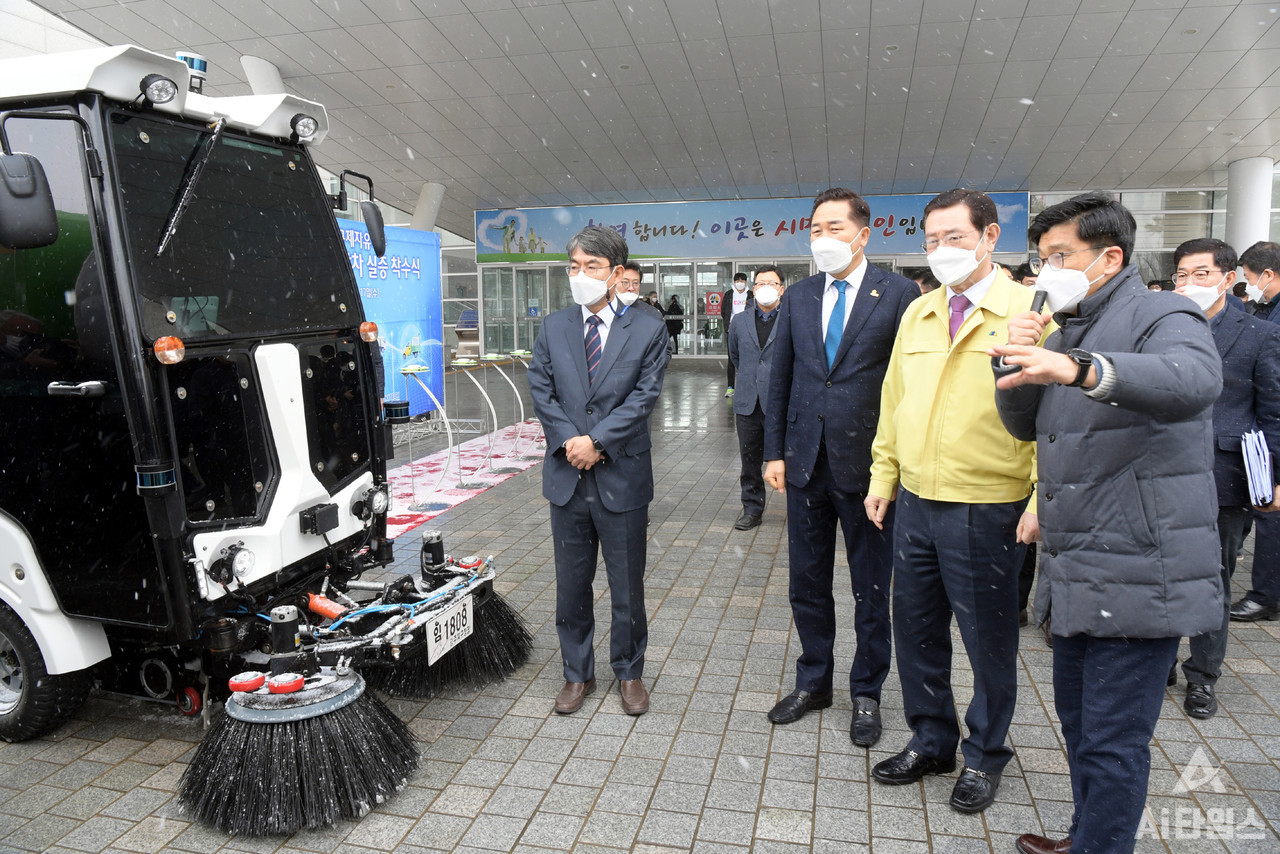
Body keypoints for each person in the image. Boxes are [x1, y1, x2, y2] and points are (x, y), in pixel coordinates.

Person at [989, 192, 1224, 854]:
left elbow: (1192, 379)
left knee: (1113, 740)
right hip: (1078, 564)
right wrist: (1015, 361)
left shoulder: (1161, 313)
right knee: (1080, 724)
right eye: (1042, 259)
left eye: (1060, 256)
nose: (1047, 272)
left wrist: (1079, 368)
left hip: (1138, 568)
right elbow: (1025, 426)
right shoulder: (1069, 330)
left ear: (1110, 257)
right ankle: (1086, 836)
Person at [864, 188, 1038, 815]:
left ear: (990, 237)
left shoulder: (1030, 311)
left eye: (954, 237)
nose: (941, 250)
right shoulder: (920, 311)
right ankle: (931, 739)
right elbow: (895, 399)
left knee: (988, 640)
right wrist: (883, 475)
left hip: (988, 502)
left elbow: (1055, 418)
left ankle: (985, 753)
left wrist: (1041, 497)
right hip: (916, 500)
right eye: (932, 240)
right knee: (915, 630)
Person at [762, 187, 917, 747]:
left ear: (863, 234)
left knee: (871, 587)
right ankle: (814, 681)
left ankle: (867, 691)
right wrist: (773, 452)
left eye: (835, 228)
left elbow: (907, 383)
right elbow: (781, 375)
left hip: (870, 467)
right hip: (805, 463)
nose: (823, 238)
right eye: (816, 229)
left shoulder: (898, 294)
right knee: (806, 582)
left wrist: (894, 467)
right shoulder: (800, 295)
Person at [527, 225, 670, 717]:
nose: (580, 275)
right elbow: (542, 390)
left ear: (615, 273)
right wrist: (572, 440)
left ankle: (629, 671)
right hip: (567, 476)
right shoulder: (554, 327)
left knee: (627, 585)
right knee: (571, 585)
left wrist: (598, 441)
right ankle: (577, 673)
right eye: (574, 266)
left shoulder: (647, 328)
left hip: (621, 476)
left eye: (591, 266)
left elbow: (644, 397)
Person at [1169, 237, 1280, 719]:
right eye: (1181, 275)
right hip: (1162, 473)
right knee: (1163, 572)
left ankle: (1203, 675)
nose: (1189, 283)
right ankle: (1160, 660)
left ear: (1228, 278)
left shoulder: (1258, 334)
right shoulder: (1163, 327)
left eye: (1201, 274)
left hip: (1224, 475)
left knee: (1213, 578)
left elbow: (1274, 412)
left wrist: (1273, 479)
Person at [1231, 241, 1280, 622]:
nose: (1248, 286)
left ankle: (1266, 595)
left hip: (1271, 424)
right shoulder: (1266, 309)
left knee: (1270, 512)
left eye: (1248, 278)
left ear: (1267, 274)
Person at [727, 265, 785, 531]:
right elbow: (735, 356)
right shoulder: (739, 321)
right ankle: (752, 509)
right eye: (761, 284)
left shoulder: (792, 319)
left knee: (790, 458)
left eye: (772, 284)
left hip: (782, 403)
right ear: (753, 289)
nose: (766, 288)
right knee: (750, 461)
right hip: (748, 403)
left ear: (781, 289)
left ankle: (800, 510)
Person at [618, 262, 674, 361]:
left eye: (635, 283)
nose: (631, 288)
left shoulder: (652, 314)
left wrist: (649, 368)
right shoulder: (603, 311)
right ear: (614, 281)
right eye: (625, 282)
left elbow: (665, 351)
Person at [722, 272, 754, 397]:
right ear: (734, 282)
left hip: (748, 330)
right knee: (731, 359)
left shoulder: (751, 295)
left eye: (742, 281)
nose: (740, 283)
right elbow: (724, 311)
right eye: (737, 281)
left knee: (748, 358)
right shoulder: (729, 294)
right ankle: (730, 387)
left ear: (746, 282)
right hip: (732, 330)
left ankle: (748, 386)